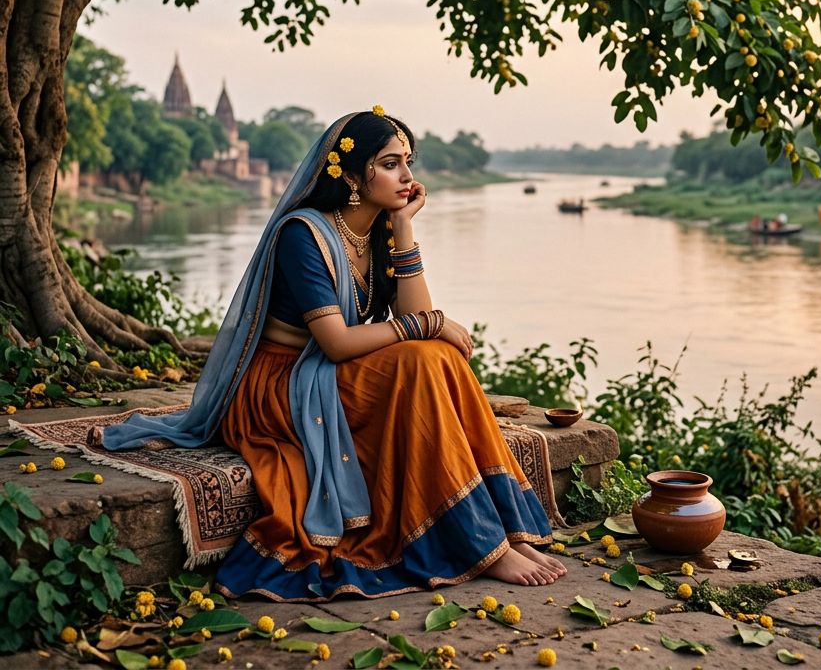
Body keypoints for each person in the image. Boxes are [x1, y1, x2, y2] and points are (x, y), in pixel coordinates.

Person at [101, 110, 564, 600]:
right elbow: (338, 341)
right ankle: (479, 544)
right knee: (426, 355)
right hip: (279, 383)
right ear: (350, 175)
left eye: (408, 162)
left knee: (437, 357)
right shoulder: (304, 235)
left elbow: (417, 321)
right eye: (391, 164)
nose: (408, 177)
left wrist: (404, 228)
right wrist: (427, 325)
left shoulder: (381, 229)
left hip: (327, 372)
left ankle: (500, 533)